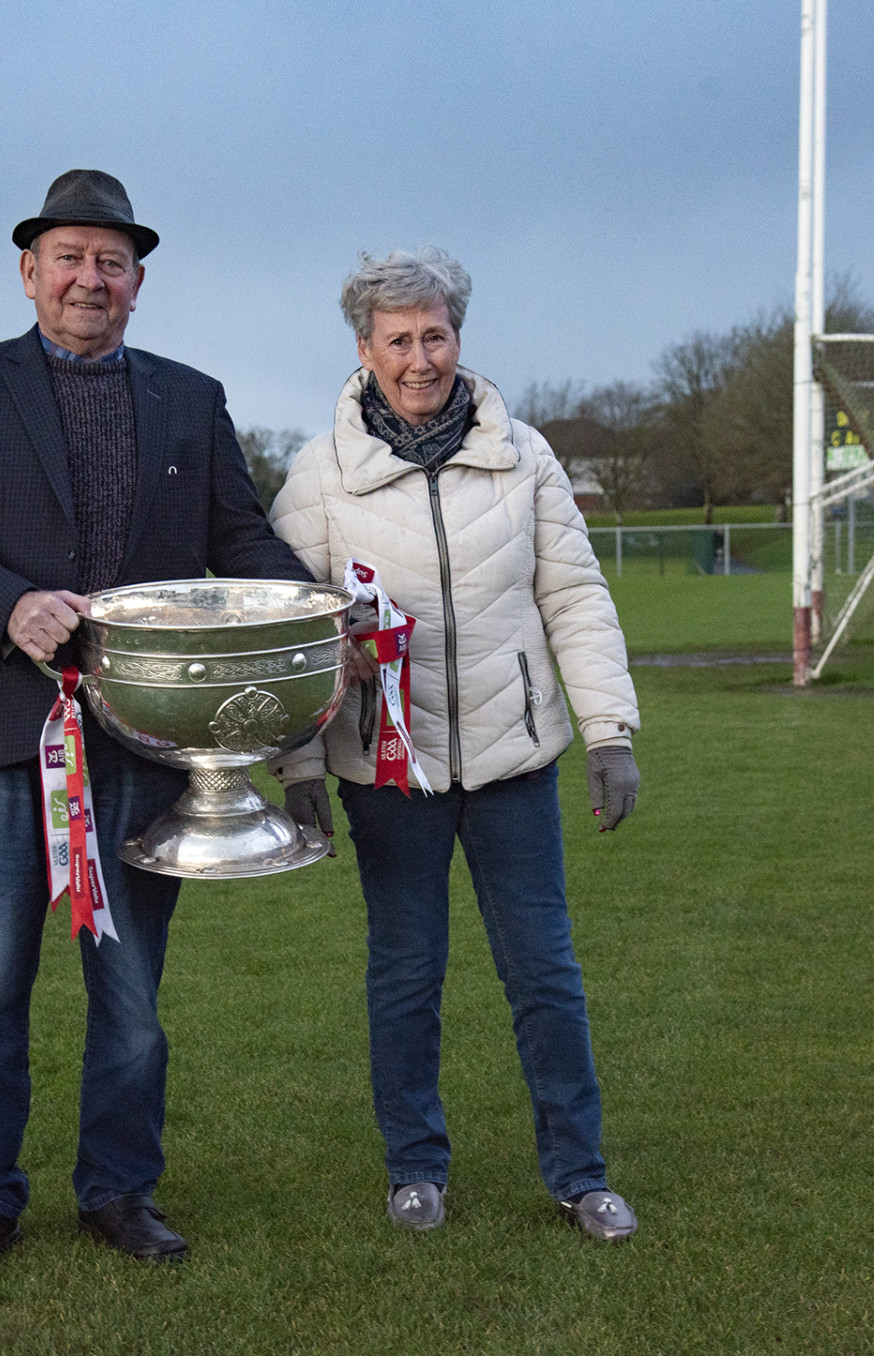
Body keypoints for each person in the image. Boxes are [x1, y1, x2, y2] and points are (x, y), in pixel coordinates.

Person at [0, 170, 310, 1272]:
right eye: (70, 258)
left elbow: (243, 537)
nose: (91, 278)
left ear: (139, 283)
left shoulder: (190, 396)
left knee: (130, 998)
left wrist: (321, 610)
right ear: (30, 272)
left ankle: (119, 1191)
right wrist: (9, 604)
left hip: (143, 744)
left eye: (112, 262)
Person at [267, 249, 644, 1242]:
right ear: (365, 348)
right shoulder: (318, 476)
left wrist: (608, 733)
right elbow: (292, 636)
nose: (420, 358)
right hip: (388, 775)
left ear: (457, 337)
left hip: (515, 765)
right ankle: (414, 1168)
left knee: (545, 975)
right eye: (398, 339)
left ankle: (579, 1171)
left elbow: (574, 596)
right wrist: (302, 770)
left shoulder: (526, 454)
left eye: (435, 335)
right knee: (405, 973)